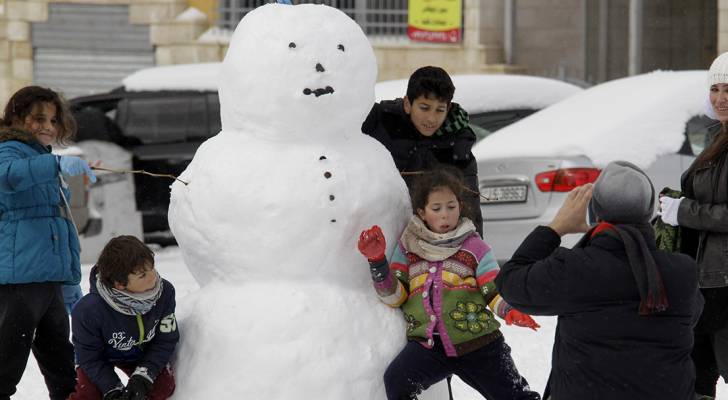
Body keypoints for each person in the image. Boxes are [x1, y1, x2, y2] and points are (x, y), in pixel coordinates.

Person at [496, 161, 702, 400]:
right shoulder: (681, 271)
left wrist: (555, 229)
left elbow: (510, 282)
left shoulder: (575, 268)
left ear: (595, 211)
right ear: (648, 212)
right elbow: (693, 315)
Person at [357, 167, 540, 400]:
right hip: (430, 348)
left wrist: (510, 310)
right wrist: (378, 262)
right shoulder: (409, 247)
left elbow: (492, 288)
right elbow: (395, 297)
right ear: (422, 212)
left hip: (479, 344)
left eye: (451, 207)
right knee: (396, 381)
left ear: (460, 207)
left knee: (515, 396)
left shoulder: (475, 247)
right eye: (437, 208)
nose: (445, 215)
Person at [0, 85, 97, 400]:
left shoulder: (40, 157)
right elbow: (9, 176)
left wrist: (68, 280)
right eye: (39, 118)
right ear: (16, 116)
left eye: (54, 121)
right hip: (19, 279)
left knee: (61, 362)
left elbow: (59, 222)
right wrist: (54, 166)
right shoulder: (8, 149)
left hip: (48, 278)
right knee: (7, 362)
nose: (48, 127)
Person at [659, 51, 728, 400]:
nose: (721, 98)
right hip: (707, 282)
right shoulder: (718, 138)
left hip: (725, 283)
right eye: (715, 88)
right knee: (696, 376)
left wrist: (683, 210)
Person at [362, 66, 484, 237]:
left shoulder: (457, 145)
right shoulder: (381, 123)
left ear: (448, 109)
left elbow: (470, 210)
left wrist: (473, 254)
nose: (431, 118)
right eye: (424, 108)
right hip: (382, 233)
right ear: (407, 104)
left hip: (431, 244)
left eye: (439, 110)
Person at [67, 235, 178, 400]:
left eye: (152, 268)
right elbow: (89, 357)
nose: (153, 277)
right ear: (119, 283)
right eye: (142, 275)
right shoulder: (88, 310)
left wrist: (143, 375)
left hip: (142, 355)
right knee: (89, 394)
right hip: (100, 359)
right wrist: (111, 388)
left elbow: (165, 339)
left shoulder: (165, 292)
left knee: (162, 387)